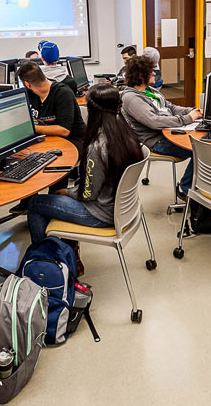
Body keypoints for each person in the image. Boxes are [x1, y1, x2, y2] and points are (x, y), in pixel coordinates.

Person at [27, 83, 144, 273]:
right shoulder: (127, 133)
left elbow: (87, 194)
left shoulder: (97, 147)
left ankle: (45, 264)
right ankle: (70, 253)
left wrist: (68, 192)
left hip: (101, 213)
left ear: (92, 111)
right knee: (59, 197)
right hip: (123, 208)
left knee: (36, 203)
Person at [9, 61, 87, 215]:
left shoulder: (62, 92)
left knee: (57, 158)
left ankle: (55, 200)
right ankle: (28, 199)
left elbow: (64, 130)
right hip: (48, 138)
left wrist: (32, 128)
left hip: (73, 140)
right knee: (24, 156)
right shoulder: (30, 94)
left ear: (27, 83)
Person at [120, 55, 202, 199]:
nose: (154, 73)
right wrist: (187, 119)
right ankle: (185, 188)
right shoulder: (131, 98)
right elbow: (154, 121)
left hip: (170, 133)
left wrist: (192, 110)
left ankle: (198, 185)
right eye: (151, 71)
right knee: (201, 151)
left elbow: (170, 107)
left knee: (203, 142)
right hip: (156, 141)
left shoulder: (151, 91)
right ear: (140, 75)